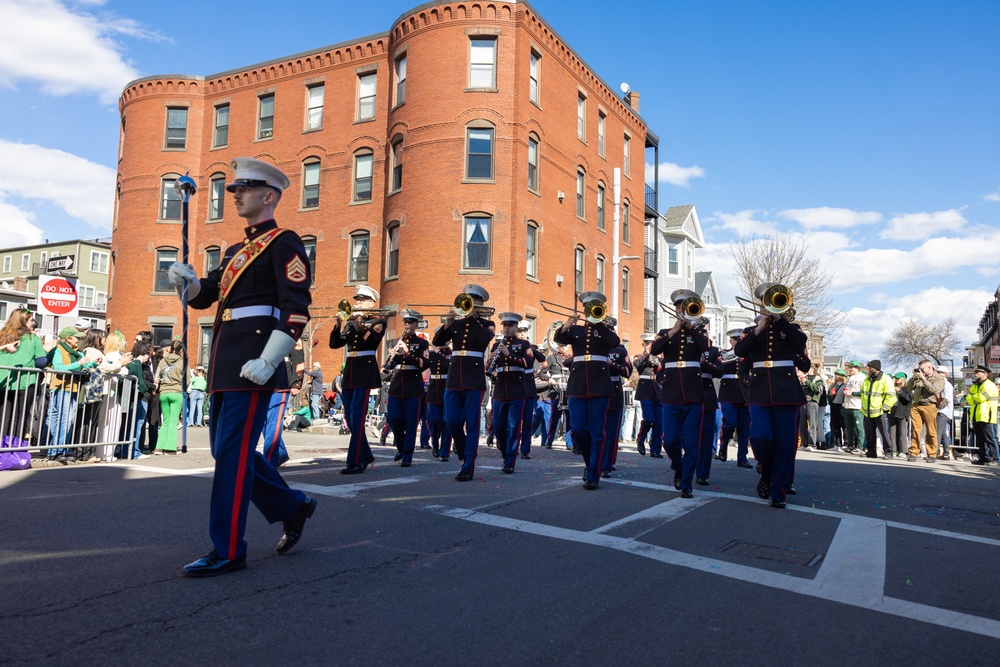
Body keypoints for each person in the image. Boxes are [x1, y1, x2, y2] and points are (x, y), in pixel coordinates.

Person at [167, 157, 317, 577]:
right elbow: (206, 296)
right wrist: (188, 281)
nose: (235, 196)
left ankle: (229, 548)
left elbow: (296, 310)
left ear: (268, 196)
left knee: (231, 458)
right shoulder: (236, 251)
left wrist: (270, 359)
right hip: (226, 362)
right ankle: (294, 505)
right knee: (225, 451)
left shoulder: (284, 242)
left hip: (254, 360)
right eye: (233, 190)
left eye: (244, 190)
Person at [733, 283, 808, 509]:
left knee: (785, 444)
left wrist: (779, 320)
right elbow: (739, 351)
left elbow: (800, 343)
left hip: (787, 391)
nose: (771, 306)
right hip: (759, 390)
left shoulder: (791, 328)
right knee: (760, 436)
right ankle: (766, 473)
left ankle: (779, 492)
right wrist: (759, 328)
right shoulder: (751, 331)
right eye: (767, 301)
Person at [553, 292, 619, 490]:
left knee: (597, 432)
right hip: (578, 385)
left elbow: (614, 341)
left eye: (595, 307)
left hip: (600, 385)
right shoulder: (576, 330)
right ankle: (591, 463)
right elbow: (559, 338)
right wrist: (567, 323)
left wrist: (599, 323)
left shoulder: (605, 330)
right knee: (579, 430)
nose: (591, 311)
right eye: (588, 307)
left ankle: (593, 474)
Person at [432, 284, 495, 482]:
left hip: (474, 379)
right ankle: (464, 448)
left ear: (480, 304)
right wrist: (448, 323)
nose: (471, 304)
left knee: (473, 424)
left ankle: (468, 465)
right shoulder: (456, 325)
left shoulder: (487, 324)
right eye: (469, 300)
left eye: (475, 301)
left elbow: (485, 339)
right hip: (454, 378)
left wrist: (471, 318)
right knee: (450, 420)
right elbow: (437, 340)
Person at [651, 290, 709, 497]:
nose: (683, 311)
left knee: (692, 442)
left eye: (687, 308)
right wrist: (674, 331)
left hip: (694, 393)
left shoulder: (700, 332)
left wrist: (691, 328)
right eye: (680, 308)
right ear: (675, 310)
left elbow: (705, 347)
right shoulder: (666, 331)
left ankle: (686, 484)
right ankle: (679, 466)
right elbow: (654, 350)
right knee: (670, 440)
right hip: (672, 392)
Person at [329, 285, 385, 474]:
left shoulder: (378, 320)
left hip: (365, 372)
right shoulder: (353, 321)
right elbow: (335, 344)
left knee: (357, 417)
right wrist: (338, 325)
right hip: (351, 372)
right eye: (357, 300)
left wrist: (355, 320)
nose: (357, 303)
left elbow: (365, 340)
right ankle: (366, 454)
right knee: (349, 418)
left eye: (361, 300)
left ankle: (354, 461)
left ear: (371, 303)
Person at [487, 312, 531, 473]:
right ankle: (506, 453)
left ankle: (509, 461)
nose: (506, 328)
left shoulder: (524, 344)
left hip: (516, 390)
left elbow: (528, 363)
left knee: (513, 426)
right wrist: (490, 360)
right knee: (498, 426)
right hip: (499, 390)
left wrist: (509, 354)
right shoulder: (496, 345)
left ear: (516, 327)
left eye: (510, 326)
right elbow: (489, 370)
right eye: (504, 325)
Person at [385, 309, 430, 467]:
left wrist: (408, 352)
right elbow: (389, 364)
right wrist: (391, 356)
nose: (406, 324)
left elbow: (424, 364)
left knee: (411, 422)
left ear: (416, 324)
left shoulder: (422, 343)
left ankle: (407, 456)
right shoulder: (397, 341)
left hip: (412, 386)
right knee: (393, 418)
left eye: (410, 322)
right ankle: (401, 446)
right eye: (405, 322)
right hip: (397, 384)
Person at [46, 326, 96, 463]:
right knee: (64, 420)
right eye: (76, 337)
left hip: (73, 388)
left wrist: (93, 364)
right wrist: (78, 363)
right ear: (68, 338)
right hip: (61, 388)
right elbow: (59, 368)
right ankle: (57, 450)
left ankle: (60, 449)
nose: (79, 339)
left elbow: (81, 366)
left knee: (67, 420)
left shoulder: (77, 351)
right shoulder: (59, 350)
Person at [0, 308, 47, 449]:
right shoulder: (33, 338)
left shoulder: (2, 336)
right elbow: (41, 361)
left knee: (4, 417)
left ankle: (2, 447)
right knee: (20, 417)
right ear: (23, 321)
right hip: (25, 382)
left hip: (4, 381)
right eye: (31, 320)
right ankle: (15, 449)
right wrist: (47, 351)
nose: (33, 323)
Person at [717, 328, 752, 468]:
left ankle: (742, 458)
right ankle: (724, 444)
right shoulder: (723, 354)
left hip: (745, 392)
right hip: (728, 392)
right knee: (730, 423)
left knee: (744, 428)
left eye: (739, 340)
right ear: (730, 340)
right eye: (734, 340)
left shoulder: (747, 353)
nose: (736, 342)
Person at [601, 318, 632, 477]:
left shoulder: (619, 350)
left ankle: (606, 464)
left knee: (611, 432)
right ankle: (597, 461)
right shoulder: (593, 347)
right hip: (596, 390)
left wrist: (612, 364)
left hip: (613, 391)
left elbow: (628, 372)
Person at [517, 320, 547, 460]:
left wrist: (531, 347)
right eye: (519, 331)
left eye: (524, 332)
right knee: (515, 420)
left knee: (528, 419)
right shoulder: (511, 346)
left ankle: (525, 450)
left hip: (528, 387)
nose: (522, 334)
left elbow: (542, 358)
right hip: (514, 384)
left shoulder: (531, 346)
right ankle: (512, 446)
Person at [907, 359, 945, 462]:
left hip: (929, 405)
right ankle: (914, 452)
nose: (921, 371)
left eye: (922, 369)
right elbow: (909, 387)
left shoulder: (939, 378)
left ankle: (932, 454)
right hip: (916, 405)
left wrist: (923, 378)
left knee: (931, 430)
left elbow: (933, 390)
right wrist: (914, 377)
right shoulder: (919, 377)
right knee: (915, 429)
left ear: (929, 367)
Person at [632, 333, 662, 457]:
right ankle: (641, 438)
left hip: (659, 390)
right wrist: (648, 353)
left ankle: (655, 450)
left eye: (652, 344)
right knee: (649, 419)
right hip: (646, 390)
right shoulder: (640, 357)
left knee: (659, 423)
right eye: (648, 343)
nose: (650, 346)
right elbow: (637, 365)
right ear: (643, 344)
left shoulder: (660, 357)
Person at [859, 360, 896, 459]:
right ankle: (871, 451)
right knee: (869, 433)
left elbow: (891, 396)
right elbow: (863, 393)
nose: (868, 369)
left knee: (884, 434)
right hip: (867, 412)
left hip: (880, 412)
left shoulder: (886, 379)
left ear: (875, 368)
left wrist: (884, 408)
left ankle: (888, 452)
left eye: (869, 367)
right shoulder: (867, 379)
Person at [154, 340, 185, 455]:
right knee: (173, 421)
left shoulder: (163, 361)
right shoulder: (183, 362)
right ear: (181, 350)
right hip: (176, 391)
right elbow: (186, 379)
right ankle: (170, 448)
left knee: (165, 420)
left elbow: (157, 376)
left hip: (163, 392)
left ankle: (159, 447)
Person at [425, 342, 452, 460]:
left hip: (447, 388)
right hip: (433, 390)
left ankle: (445, 451)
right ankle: (435, 443)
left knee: (447, 422)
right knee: (433, 420)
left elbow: (448, 365)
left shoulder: (452, 354)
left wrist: (437, 352)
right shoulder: (430, 354)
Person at [967, 365, 998, 465]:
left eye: (978, 372)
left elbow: (981, 397)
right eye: (975, 372)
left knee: (991, 439)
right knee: (980, 439)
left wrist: (973, 397)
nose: (976, 374)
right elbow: (969, 399)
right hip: (977, 415)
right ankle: (984, 457)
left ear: (985, 374)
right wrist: (972, 397)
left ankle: (996, 458)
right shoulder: (975, 386)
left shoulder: (989, 385)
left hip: (987, 415)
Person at [800, 363, 825, 451]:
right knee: (802, 424)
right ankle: (805, 443)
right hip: (802, 402)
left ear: (813, 369)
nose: (807, 370)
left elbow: (818, 389)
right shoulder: (803, 378)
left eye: (810, 368)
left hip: (812, 402)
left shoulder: (818, 379)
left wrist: (807, 382)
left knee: (812, 424)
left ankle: (812, 444)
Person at [888, 372, 912, 458]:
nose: (897, 380)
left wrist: (900, 391)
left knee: (902, 431)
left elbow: (908, 399)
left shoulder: (907, 388)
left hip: (902, 411)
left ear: (903, 379)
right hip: (893, 410)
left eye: (898, 378)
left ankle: (903, 450)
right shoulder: (892, 387)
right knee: (892, 431)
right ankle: (894, 449)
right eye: (896, 378)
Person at [934, 365, 954, 460]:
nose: (938, 374)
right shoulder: (940, 383)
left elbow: (948, 400)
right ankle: (946, 453)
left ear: (945, 374)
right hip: (942, 411)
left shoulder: (946, 385)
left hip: (943, 411)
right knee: (943, 433)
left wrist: (938, 406)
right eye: (937, 372)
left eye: (940, 372)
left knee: (938, 431)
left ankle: (935, 452)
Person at [828, 369, 847, 451]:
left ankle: (846, 443)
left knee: (843, 425)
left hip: (841, 405)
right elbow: (828, 396)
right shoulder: (833, 385)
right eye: (836, 374)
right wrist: (830, 394)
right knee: (835, 425)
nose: (836, 376)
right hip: (834, 405)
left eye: (839, 374)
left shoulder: (845, 385)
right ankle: (838, 443)